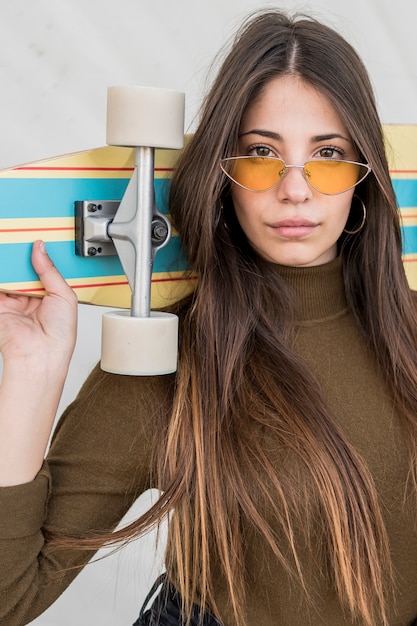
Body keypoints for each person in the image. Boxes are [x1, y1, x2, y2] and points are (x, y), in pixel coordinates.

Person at [1, 9, 417, 626]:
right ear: (222, 176)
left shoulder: (406, 335)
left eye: (328, 154)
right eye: (260, 154)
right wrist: (30, 370)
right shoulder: (170, 360)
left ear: (364, 174)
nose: (295, 189)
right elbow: (11, 596)